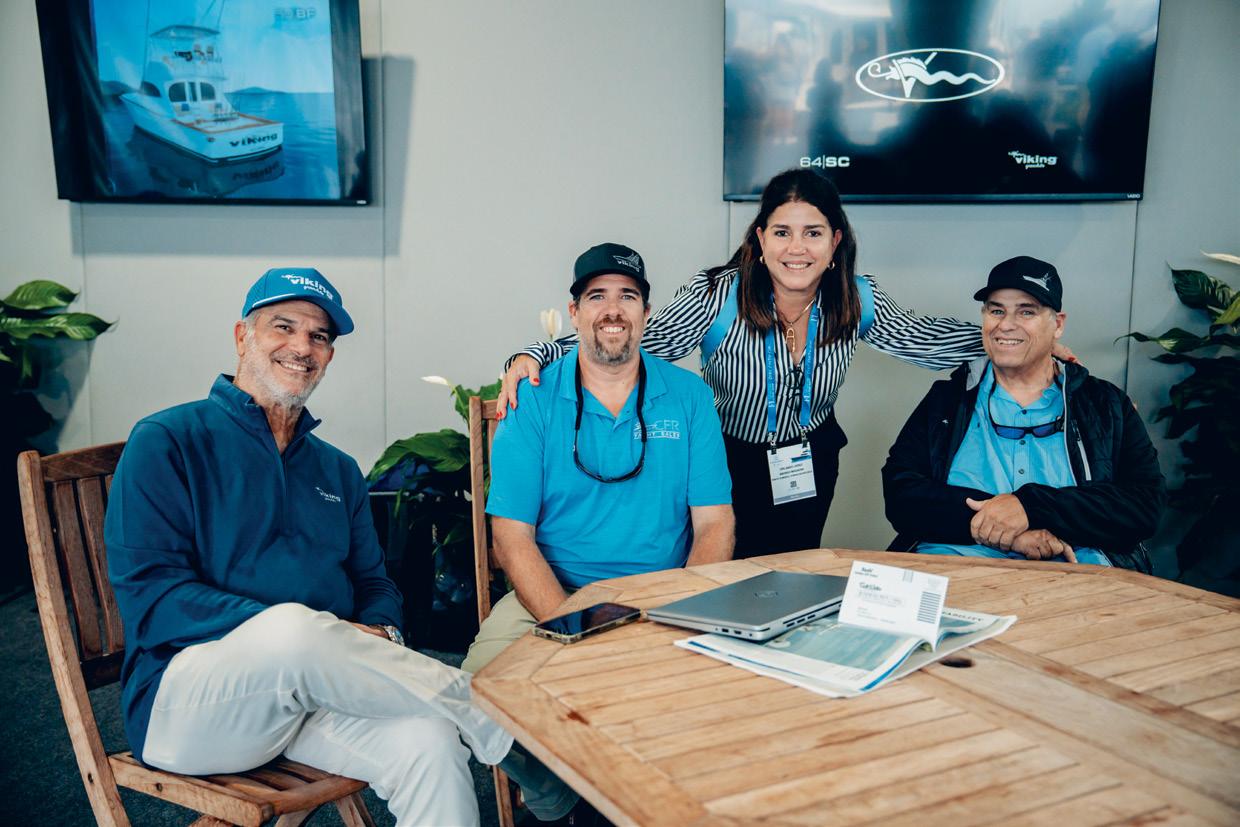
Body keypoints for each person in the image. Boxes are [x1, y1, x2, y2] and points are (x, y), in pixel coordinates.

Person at [105, 268, 565, 826]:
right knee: (292, 628)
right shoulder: (168, 440)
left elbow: (374, 583)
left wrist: (380, 633)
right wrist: (308, 632)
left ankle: (481, 719)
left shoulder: (337, 470)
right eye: (283, 327)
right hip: (187, 708)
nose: (302, 347)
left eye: (319, 336)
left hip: (310, 698)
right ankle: (493, 714)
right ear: (242, 337)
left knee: (430, 742)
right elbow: (154, 598)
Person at [497, 170, 1039, 558]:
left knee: (795, 571)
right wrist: (535, 354)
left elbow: (924, 339)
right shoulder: (718, 296)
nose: (796, 248)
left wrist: (1016, 340)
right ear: (760, 239)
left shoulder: (855, 298)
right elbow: (634, 336)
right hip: (727, 459)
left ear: (835, 242)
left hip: (810, 456)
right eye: (782, 232)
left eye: (812, 233)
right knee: (728, 577)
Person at [462, 243, 735, 674]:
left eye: (627, 296)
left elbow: (714, 524)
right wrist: (572, 626)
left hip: (665, 597)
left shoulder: (690, 396)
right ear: (573, 313)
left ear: (647, 313)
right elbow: (511, 536)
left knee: (731, 692)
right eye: (596, 296)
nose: (613, 310)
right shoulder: (531, 399)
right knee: (480, 687)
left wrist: (681, 613)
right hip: (553, 596)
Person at [881, 256, 1165, 570]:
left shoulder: (1104, 404)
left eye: (1026, 311)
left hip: (1076, 571)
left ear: (1058, 325)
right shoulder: (947, 400)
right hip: (954, 568)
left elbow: (1143, 505)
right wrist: (1003, 532)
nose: (1005, 324)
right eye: (996, 311)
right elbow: (901, 494)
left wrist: (1030, 507)